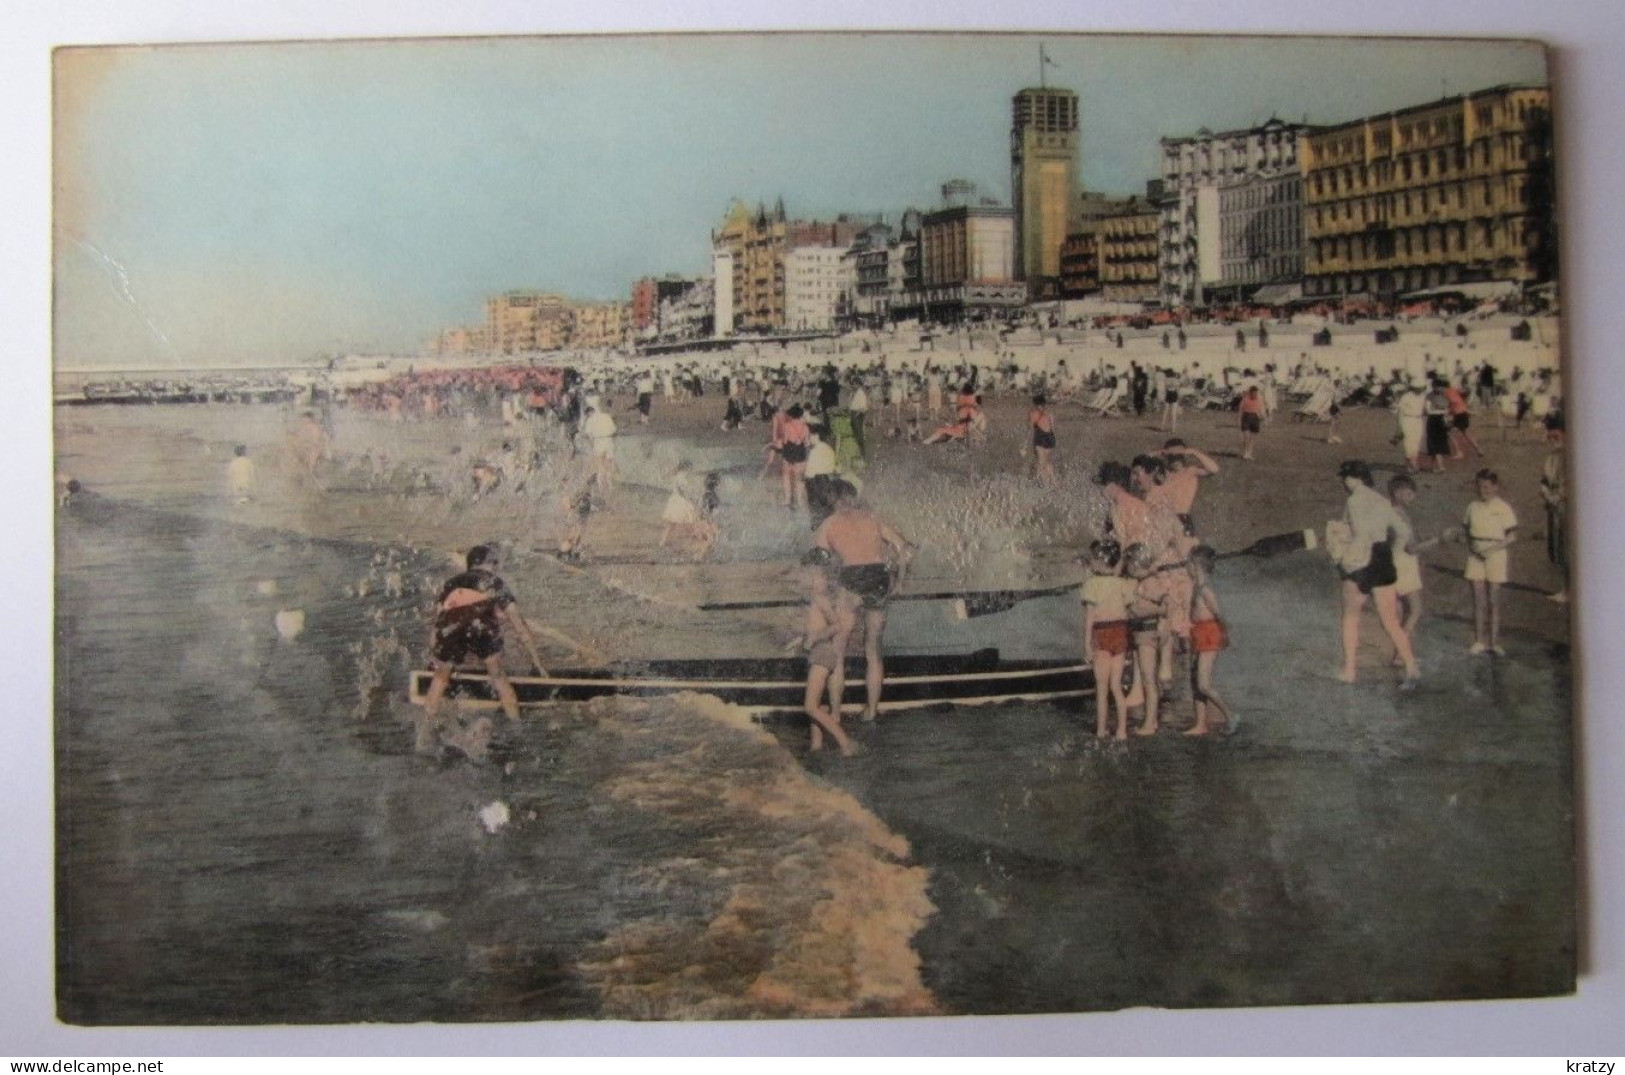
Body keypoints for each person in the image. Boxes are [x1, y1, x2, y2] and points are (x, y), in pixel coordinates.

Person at [419, 545, 546, 755]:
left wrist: (434, 659)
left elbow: (436, 625)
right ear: (490, 565)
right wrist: (538, 663)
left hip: (452, 625)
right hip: (481, 626)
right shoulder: (495, 582)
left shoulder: (452, 583)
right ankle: (517, 729)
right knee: (497, 673)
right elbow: (519, 626)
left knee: (442, 674)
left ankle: (424, 735)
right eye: (495, 564)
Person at [814, 480, 913, 722]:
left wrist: (823, 598)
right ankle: (871, 711)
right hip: (878, 577)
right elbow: (905, 549)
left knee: (838, 650)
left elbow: (819, 569)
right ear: (852, 497)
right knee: (873, 651)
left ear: (831, 500)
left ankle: (835, 713)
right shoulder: (873, 518)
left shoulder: (827, 525)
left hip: (851, 578)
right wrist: (899, 581)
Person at [1333, 461, 1419, 688]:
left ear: (1355, 479)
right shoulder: (1381, 500)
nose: (1343, 482)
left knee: (1351, 617)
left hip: (1360, 561)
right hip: (1383, 558)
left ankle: (1350, 670)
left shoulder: (1353, 500)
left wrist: (1345, 562)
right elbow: (1402, 531)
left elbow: (1360, 535)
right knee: (1390, 621)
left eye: (1345, 478)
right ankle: (1411, 667)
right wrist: (1393, 552)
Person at [797, 548, 859, 757]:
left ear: (822, 577)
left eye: (813, 576)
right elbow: (813, 627)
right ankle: (816, 744)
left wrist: (814, 637)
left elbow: (836, 626)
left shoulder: (821, 599)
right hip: (819, 652)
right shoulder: (815, 598)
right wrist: (804, 639)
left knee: (810, 706)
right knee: (816, 703)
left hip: (823, 653)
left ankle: (845, 742)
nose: (808, 580)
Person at [1079, 540, 1134, 740]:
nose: (1091, 562)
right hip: (1120, 631)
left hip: (1102, 633)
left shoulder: (1091, 585)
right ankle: (1122, 731)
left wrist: (1086, 645)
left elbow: (1089, 619)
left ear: (1101, 560)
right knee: (1116, 686)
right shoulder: (1121, 583)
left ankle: (1101, 730)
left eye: (1093, 558)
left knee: (1101, 688)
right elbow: (1128, 608)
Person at [1463, 468, 1518, 655]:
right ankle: (1479, 641)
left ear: (1495, 487)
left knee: (1494, 600)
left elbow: (1512, 536)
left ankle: (1494, 643)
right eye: (1479, 487)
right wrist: (1473, 548)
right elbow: (1466, 531)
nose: (1482, 491)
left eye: (1486, 487)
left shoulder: (1503, 508)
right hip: (1475, 556)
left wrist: (1490, 550)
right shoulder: (1471, 506)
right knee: (1478, 600)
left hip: (1496, 555)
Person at [1185, 545, 1235, 737]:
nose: (1186, 569)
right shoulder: (1197, 587)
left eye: (1187, 564)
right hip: (1198, 632)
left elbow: (1219, 614)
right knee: (1195, 680)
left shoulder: (1205, 590)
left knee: (1203, 684)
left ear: (1195, 565)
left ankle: (1231, 715)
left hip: (1209, 634)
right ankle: (1200, 724)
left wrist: (1225, 634)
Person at [1540, 424, 1568, 604]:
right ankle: (1566, 588)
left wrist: (1557, 496)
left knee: (1567, 548)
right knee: (1556, 548)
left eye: (1556, 437)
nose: (1553, 441)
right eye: (1550, 437)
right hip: (1553, 505)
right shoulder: (1550, 458)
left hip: (1566, 506)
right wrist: (1545, 492)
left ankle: (1569, 591)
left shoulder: (1570, 456)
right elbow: (1543, 480)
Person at [778, 403, 811, 511]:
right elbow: (807, 443)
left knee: (786, 475)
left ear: (791, 415)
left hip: (789, 451)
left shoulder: (787, 425)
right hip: (800, 452)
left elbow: (785, 440)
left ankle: (787, 498)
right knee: (799, 478)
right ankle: (799, 500)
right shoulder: (805, 427)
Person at [582, 404, 619, 494]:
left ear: (588, 413)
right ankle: (610, 487)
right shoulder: (606, 416)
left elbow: (586, 434)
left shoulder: (590, 420)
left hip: (598, 442)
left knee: (600, 467)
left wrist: (591, 445)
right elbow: (614, 430)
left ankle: (601, 488)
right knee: (609, 466)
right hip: (608, 441)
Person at [1395, 382, 1427, 473]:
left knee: (1416, 442)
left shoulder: (1422, 396)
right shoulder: (1406, 396)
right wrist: (1399, 426)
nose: (1421, 389)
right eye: (1419, 387)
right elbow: (1399, 412)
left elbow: (1424, 410)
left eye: (1422, 387)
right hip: (1407, 420)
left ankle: (1411, 464)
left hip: (1418, 420)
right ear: (1413, 387)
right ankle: (1412, 464)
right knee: (1408, 442)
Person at [1423, 379, 1452, 472]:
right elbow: (1428, 411)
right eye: (1436, 386)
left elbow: (1448, 409)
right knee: (1435, 444)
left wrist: (1447, 419)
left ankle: (1433, 466)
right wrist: (1442, 411)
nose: (1438, 388)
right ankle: (1440, 466)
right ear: (1433, 386)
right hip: (1433, 421)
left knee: (1439, 444)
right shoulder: (1429, 396)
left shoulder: (1445, 396)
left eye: (1440, 386)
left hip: (1442, 421)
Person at [1029, 394, 1057, 484]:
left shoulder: (1033, 414)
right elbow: (1052, 429)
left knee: (1041, 463)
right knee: (1047, 461)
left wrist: (1028, 443)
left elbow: (1032, 429)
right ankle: (1054, 481)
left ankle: (1044, 483)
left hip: (1040, 439)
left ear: (1035, 404)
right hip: (1050, 439)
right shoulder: (1050, 415)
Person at [1238, 385, 1264, 461]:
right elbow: (1240, 410)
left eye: (1256, 393)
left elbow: (1262, 410)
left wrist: (1262, 417)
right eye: (1253, 393)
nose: (1255, 395)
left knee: (1253, 438)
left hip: (1255, 418)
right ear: (1250, 393)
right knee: (1246, 436)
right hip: (1246, 417)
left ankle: (1249, 453)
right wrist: (1238, 419)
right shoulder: (1245, 400)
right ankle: (1245, 453)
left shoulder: (1259, 400)